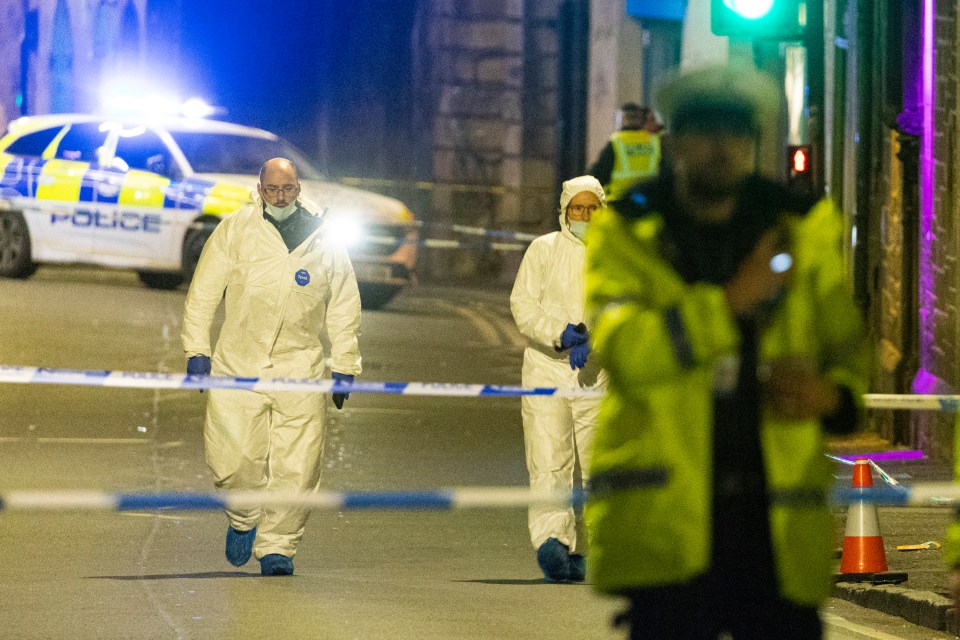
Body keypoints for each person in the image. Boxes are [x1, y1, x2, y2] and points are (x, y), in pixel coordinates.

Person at [583, 66, 871, 638]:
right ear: (677, 141)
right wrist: (733, 300)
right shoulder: (629, 232)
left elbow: (847, 350)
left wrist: (830, 395)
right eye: (705, 132)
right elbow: (628, 353)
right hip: (666, 531)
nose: (722, 148)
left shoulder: (799, 228)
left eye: (737, 134)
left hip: (773, 531)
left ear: (753, 143)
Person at [182, 157, 362, 576]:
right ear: (260, 189)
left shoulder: (324, 238)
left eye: (288, 189)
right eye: (273, 189)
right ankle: (243, 517)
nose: (281, 197)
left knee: (298, 465)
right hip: (238, 362)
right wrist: (197, 350)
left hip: (300, 366)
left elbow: (343, 304)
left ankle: (278, 546)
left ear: (298, 188)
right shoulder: (237, 230)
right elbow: (204, 291)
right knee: (233, 458)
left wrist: (344, 364)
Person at [510, 175, 608, 582]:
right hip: (546, 370)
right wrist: (560, 333)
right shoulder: (543, 250)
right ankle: (554, 543)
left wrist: (596, 339)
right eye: (577, 208)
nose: (583, 215)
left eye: (591, 208)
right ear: (565, 211)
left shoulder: (617, 256)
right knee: (548, 460)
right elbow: (523, 305)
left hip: (597, 376)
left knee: (600, 464)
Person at [589, 102, 662, 203]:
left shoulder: (616, 143)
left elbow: (600, 175)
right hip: (649, 204)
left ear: (622, 120)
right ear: (641, 120)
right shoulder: (655, 142)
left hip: (619, 205)